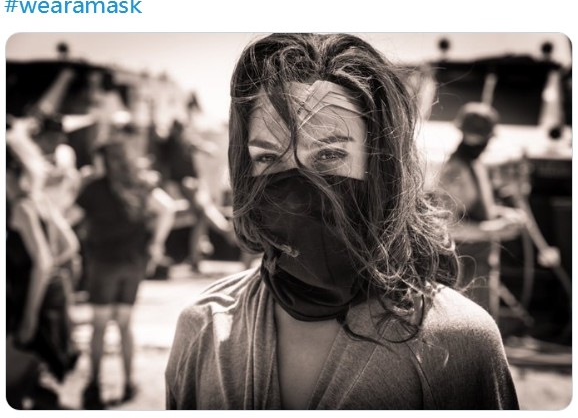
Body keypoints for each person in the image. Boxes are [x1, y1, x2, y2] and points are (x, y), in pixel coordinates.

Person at [165, 34, 519, 410]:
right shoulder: (204, 327)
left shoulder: (458, 341)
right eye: (268, 158)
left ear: (379, 164)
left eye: (330, 154)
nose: (298, 188)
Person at [77, 139, 175, 409]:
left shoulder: (94, 188)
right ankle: (129, 383)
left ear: (105, 161)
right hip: (133, 263)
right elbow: (167, 209)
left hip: (103, 263)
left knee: (99, 326)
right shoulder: (140, 184)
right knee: (124, 323)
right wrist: (155, 244)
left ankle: (94, 385)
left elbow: (70, 215)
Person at [6, 120, 81, 409]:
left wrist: (29, 316)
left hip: (28, 305)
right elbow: (69, 246)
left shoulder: (21, 207)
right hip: (44, 302)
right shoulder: (38, 200)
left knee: (15, 391)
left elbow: (43, 260)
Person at [437, 102, 526, 316]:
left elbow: (477, 207)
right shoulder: (454, 172)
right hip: (465, 270)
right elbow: (449, 226)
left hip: (483, 267)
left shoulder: (476, 164)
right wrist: (496, 229)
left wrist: (502, 214)